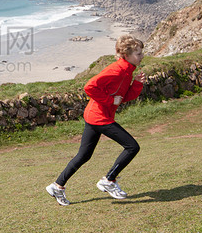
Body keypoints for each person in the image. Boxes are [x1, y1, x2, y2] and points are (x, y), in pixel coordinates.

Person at [46, 34, 147, 206]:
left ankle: (57, 186)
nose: (141, 56)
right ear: (126, 55)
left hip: (96, 116)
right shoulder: (117, 70)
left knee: (84, 155)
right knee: (132, 146)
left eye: (141, 52)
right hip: (99, 117)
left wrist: (136, 83)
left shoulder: (128, 71)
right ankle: (109, 180)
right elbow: (89, 86)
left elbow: (123, 97)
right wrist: (109, 100)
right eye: (138, 53)